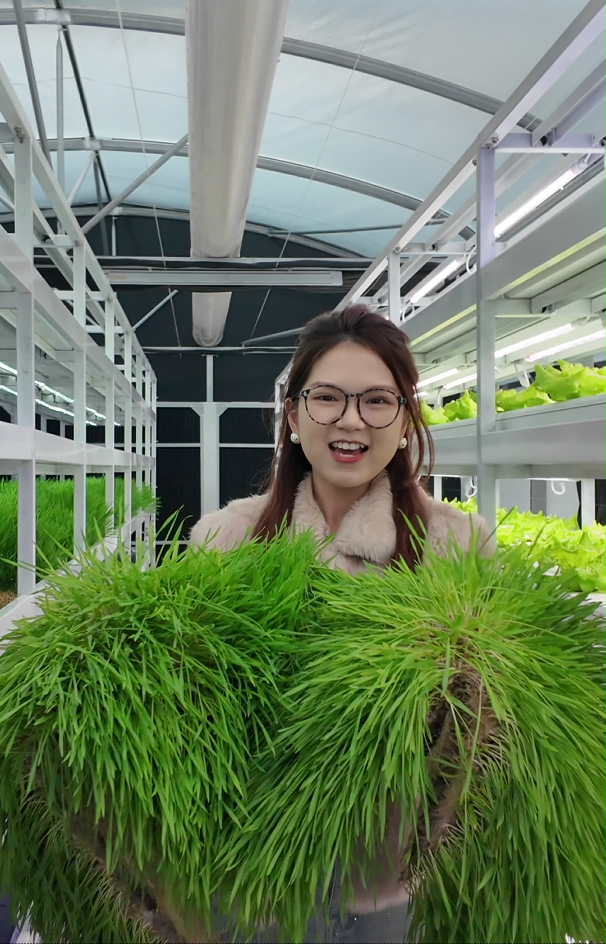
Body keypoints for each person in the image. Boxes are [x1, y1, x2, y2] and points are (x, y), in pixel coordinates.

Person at [189, 303, 493, 943]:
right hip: (249, 870)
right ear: (294, 416)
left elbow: (492, 731)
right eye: (326, 398)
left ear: (406, 421)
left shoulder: (457, 544)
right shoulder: (226, 540)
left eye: (378, 401)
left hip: (392, 874)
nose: (351, 420)